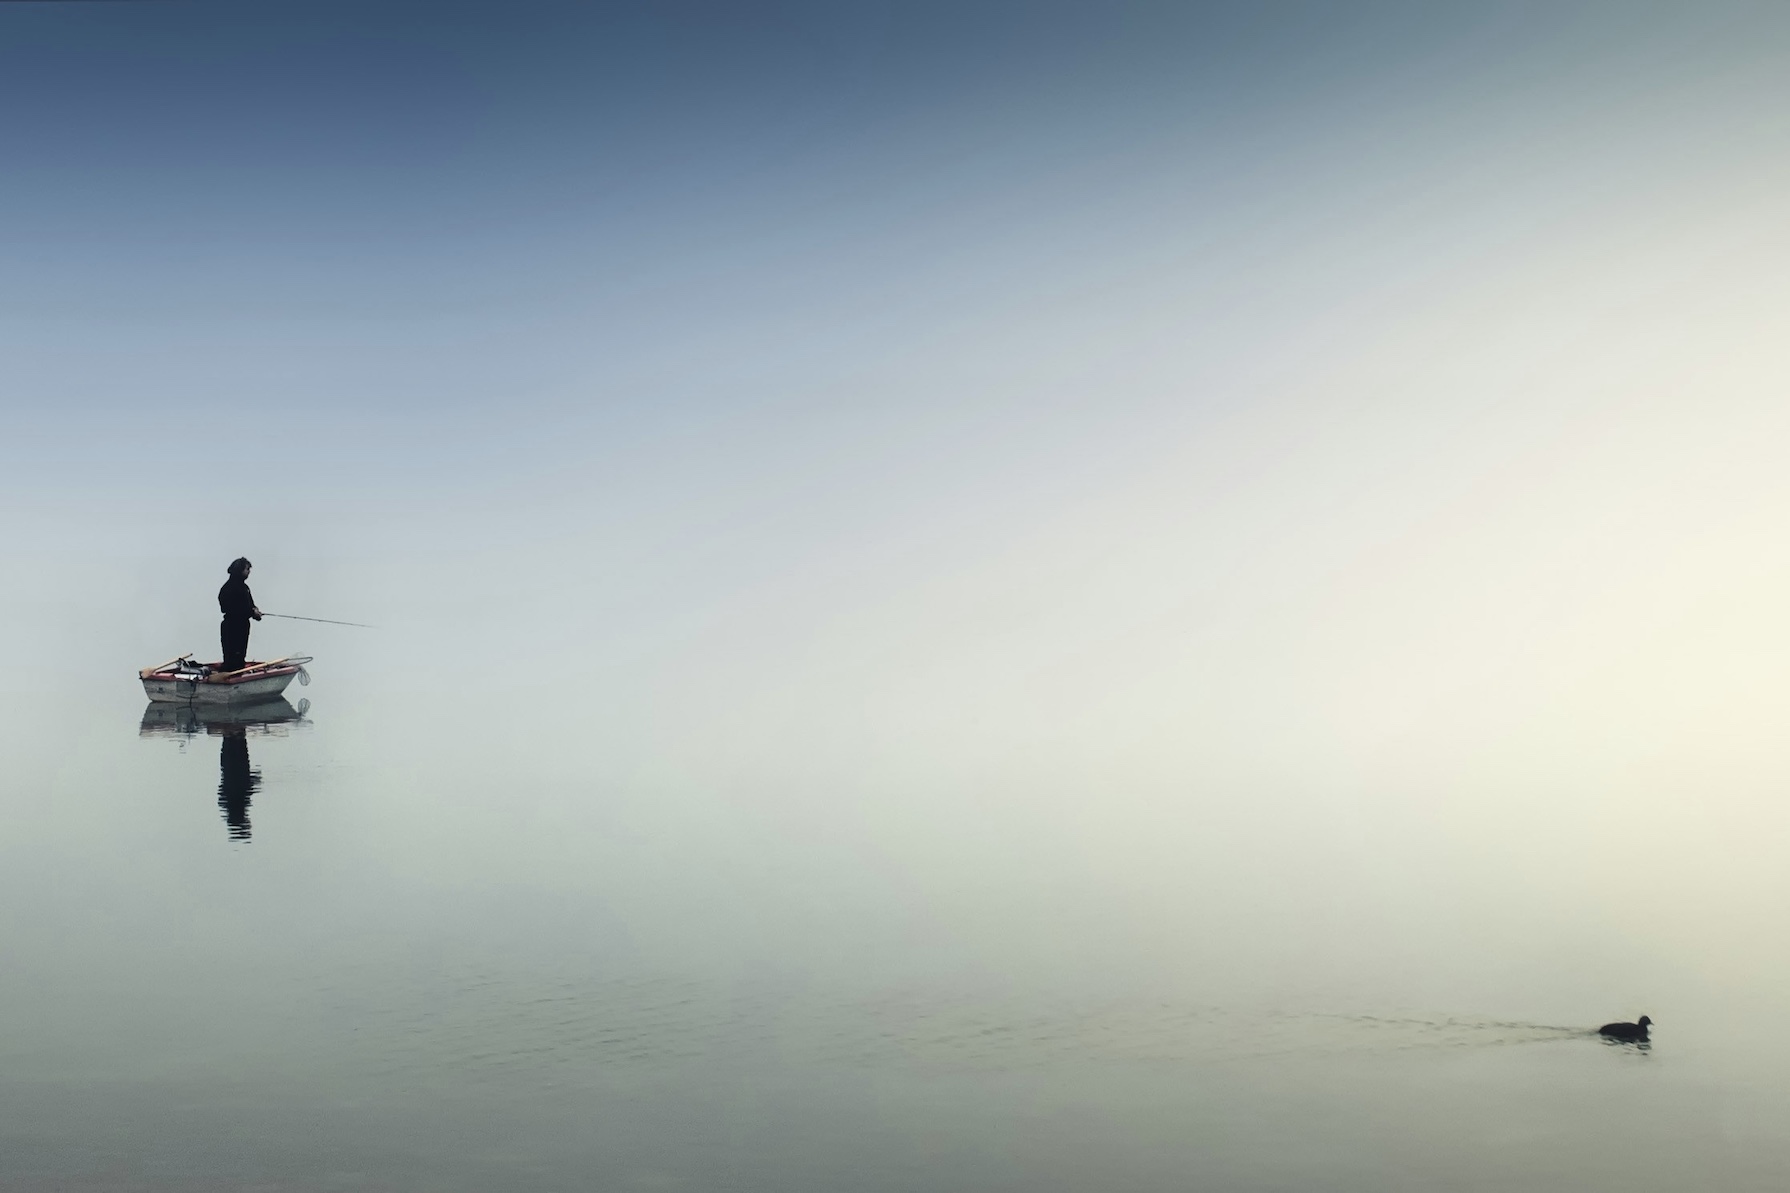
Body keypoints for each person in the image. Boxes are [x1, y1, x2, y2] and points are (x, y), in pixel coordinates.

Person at [218, 557, 263, 672]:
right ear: (240, 570)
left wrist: (255, 610)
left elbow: (250, 605)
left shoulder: (245, 588)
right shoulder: (228, 588)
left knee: (240, 655)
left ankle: (238, 672)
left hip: (243, 625)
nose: (249, 572)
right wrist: (251, 612)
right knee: (232, 656)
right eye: (247, 569)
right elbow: (231, 609)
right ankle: (230, 678)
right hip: (232, 626)